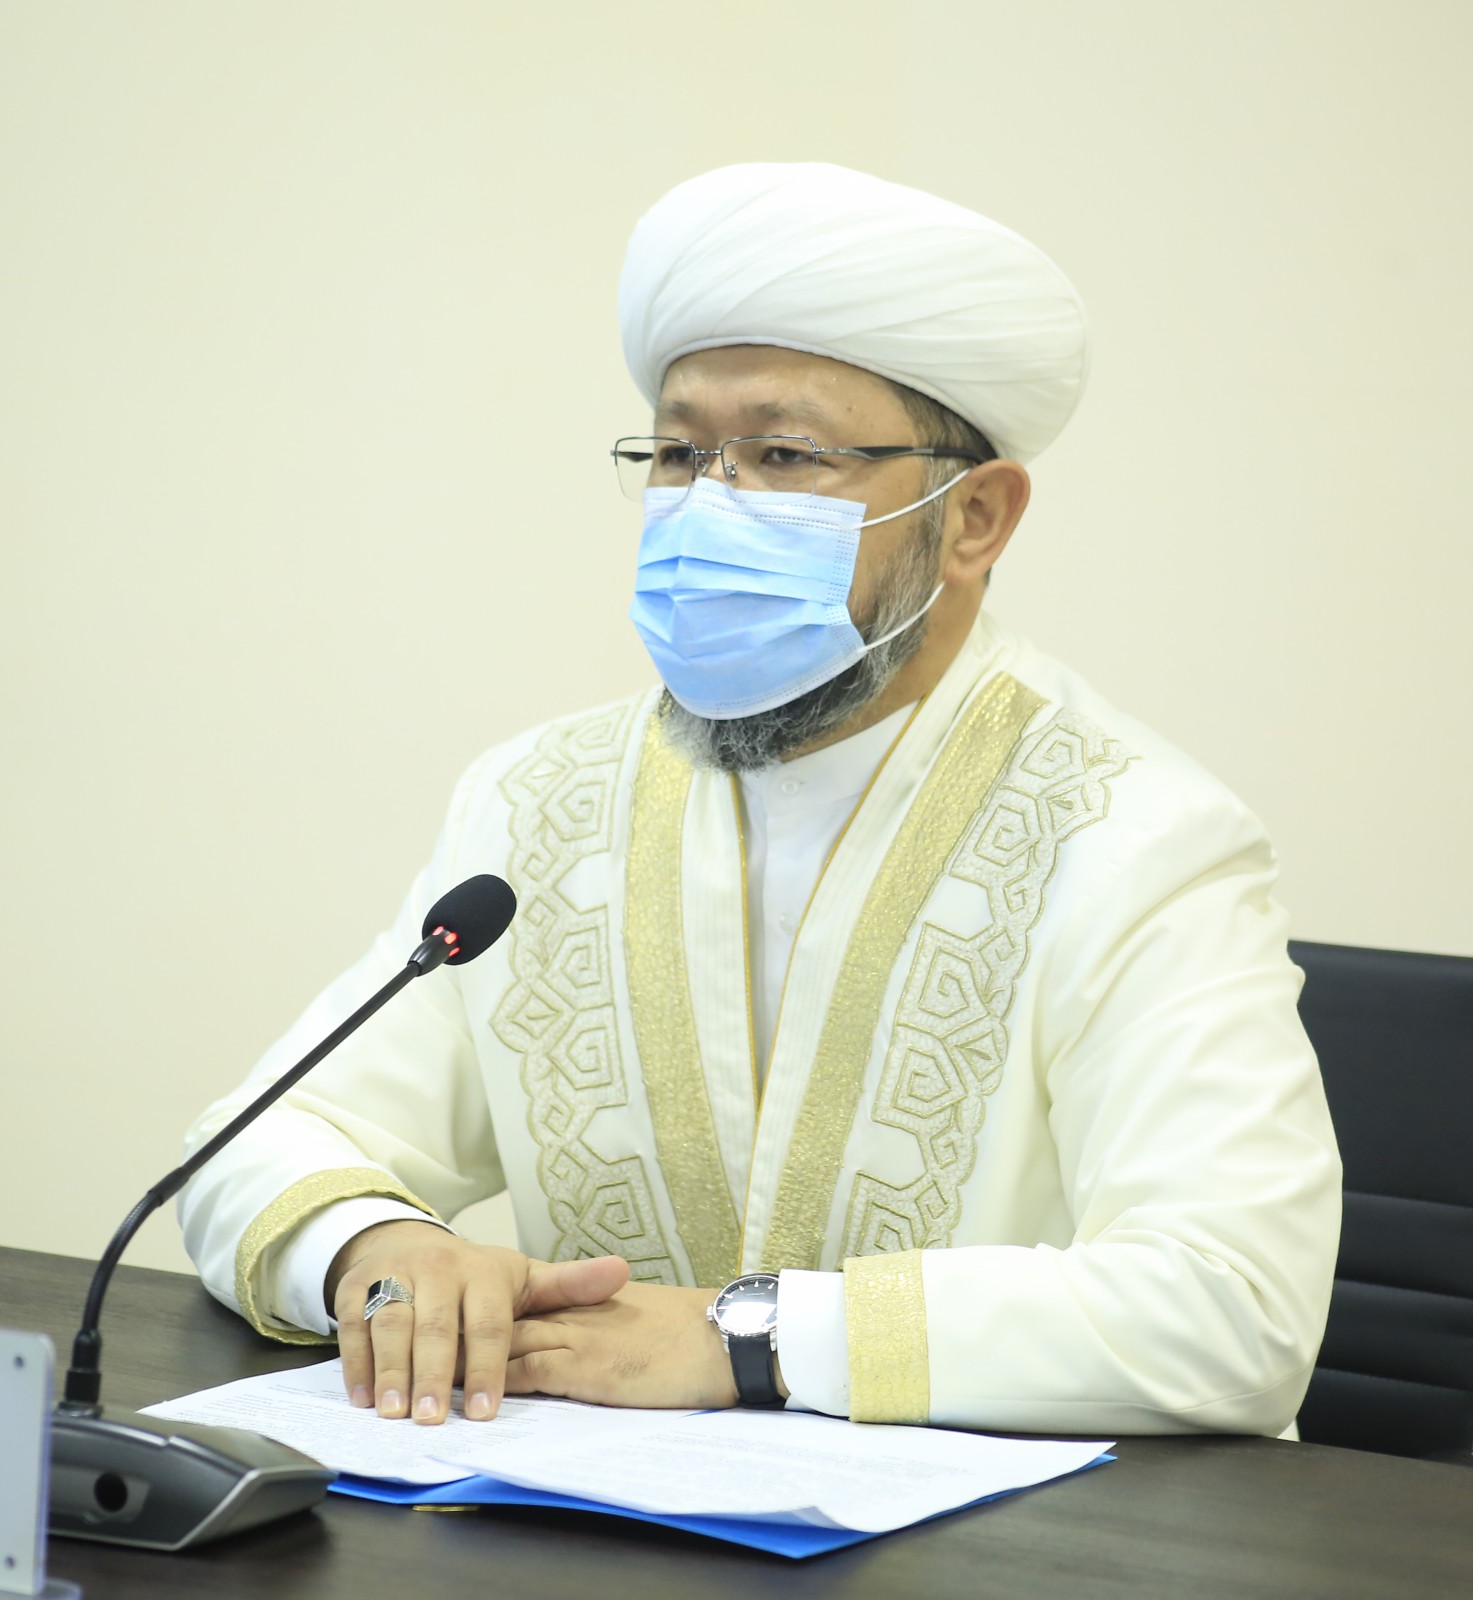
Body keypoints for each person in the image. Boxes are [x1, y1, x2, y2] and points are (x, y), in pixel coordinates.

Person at [178, 162, 1340, 1437]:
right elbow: (254, 1144)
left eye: (784, 455)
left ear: (976, 519)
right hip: (574, 1521)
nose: (711, 506)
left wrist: (751, 1337)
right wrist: (379, 1249)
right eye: (680, 454)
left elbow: (1236, 1309)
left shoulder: (1135, 837)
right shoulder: (538, 801)